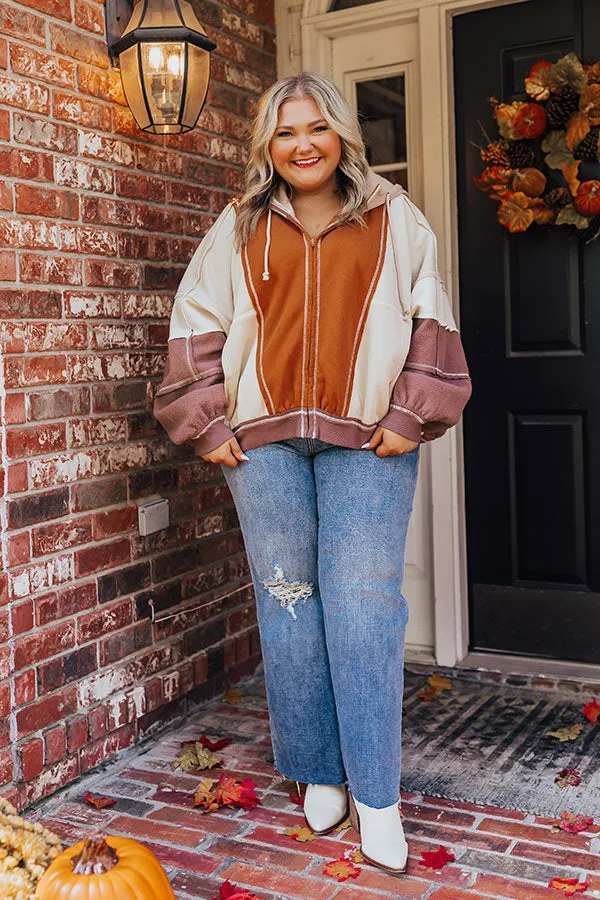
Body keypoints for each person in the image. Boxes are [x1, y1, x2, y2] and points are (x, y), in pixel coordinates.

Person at [154, 71, 471, 875]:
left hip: (366, 440)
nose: (302, 145)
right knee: (290, 603)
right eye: (286, 132)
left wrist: (410, 414)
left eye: (317, 130)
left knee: (363, 606)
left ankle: (377, 796)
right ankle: (318, 770)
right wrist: (208, 423)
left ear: (341, 138)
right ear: (269, 144)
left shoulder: (395, 218)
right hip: (261, 446)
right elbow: (196, 321)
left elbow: (432, 315)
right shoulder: (240, 225)